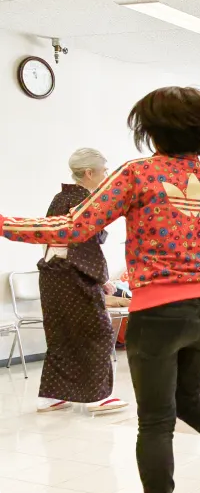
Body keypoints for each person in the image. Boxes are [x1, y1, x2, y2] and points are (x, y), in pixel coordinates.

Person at [0, 87, 200, 493]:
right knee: (188, 399)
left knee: (156, 422)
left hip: (159, 314)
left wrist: (4, 223)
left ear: (153, 131)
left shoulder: (138, 173)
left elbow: (73, 227)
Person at [33, 148, 128, 414]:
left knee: (60, 334)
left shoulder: (61, 197)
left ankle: (50, 396)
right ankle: (97, 397)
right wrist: (101, 278)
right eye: (104, 171)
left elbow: (51, 238)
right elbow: (83, 246)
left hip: (51, 273)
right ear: (88, 173)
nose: (106, 176)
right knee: (98, 332)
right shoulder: (84, 202)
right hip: (72, 275)